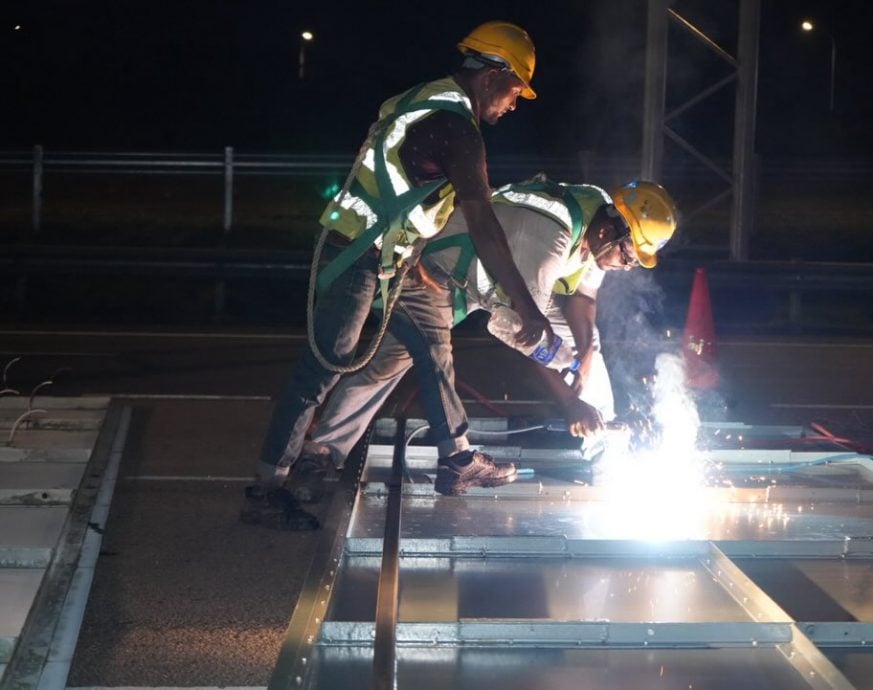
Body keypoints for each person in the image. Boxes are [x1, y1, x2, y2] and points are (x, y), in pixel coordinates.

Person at [242, 21, 552, 530]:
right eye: (517, 88)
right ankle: (265, 489)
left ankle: (458, 460)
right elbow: (485, 228)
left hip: (395, 257)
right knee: (323, 368)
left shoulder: (426, 98)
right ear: (495, 75)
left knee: (432, 342)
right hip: (359, 253)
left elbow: (411, 190)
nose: (515, 103)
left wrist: (415, 252)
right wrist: (526, 306)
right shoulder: (458, 130)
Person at [305, 177, 679, 496]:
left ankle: (606, 454)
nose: (626, 266)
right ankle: (320, 452)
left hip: (496, 286)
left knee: (586, 351)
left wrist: (583, 356)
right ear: (608, 233)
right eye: (629, 258)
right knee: (392, 362)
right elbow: (524, 333)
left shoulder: (599, 217)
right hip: (440, 272)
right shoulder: (551, 233)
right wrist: (568, 401)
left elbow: (582, 298)